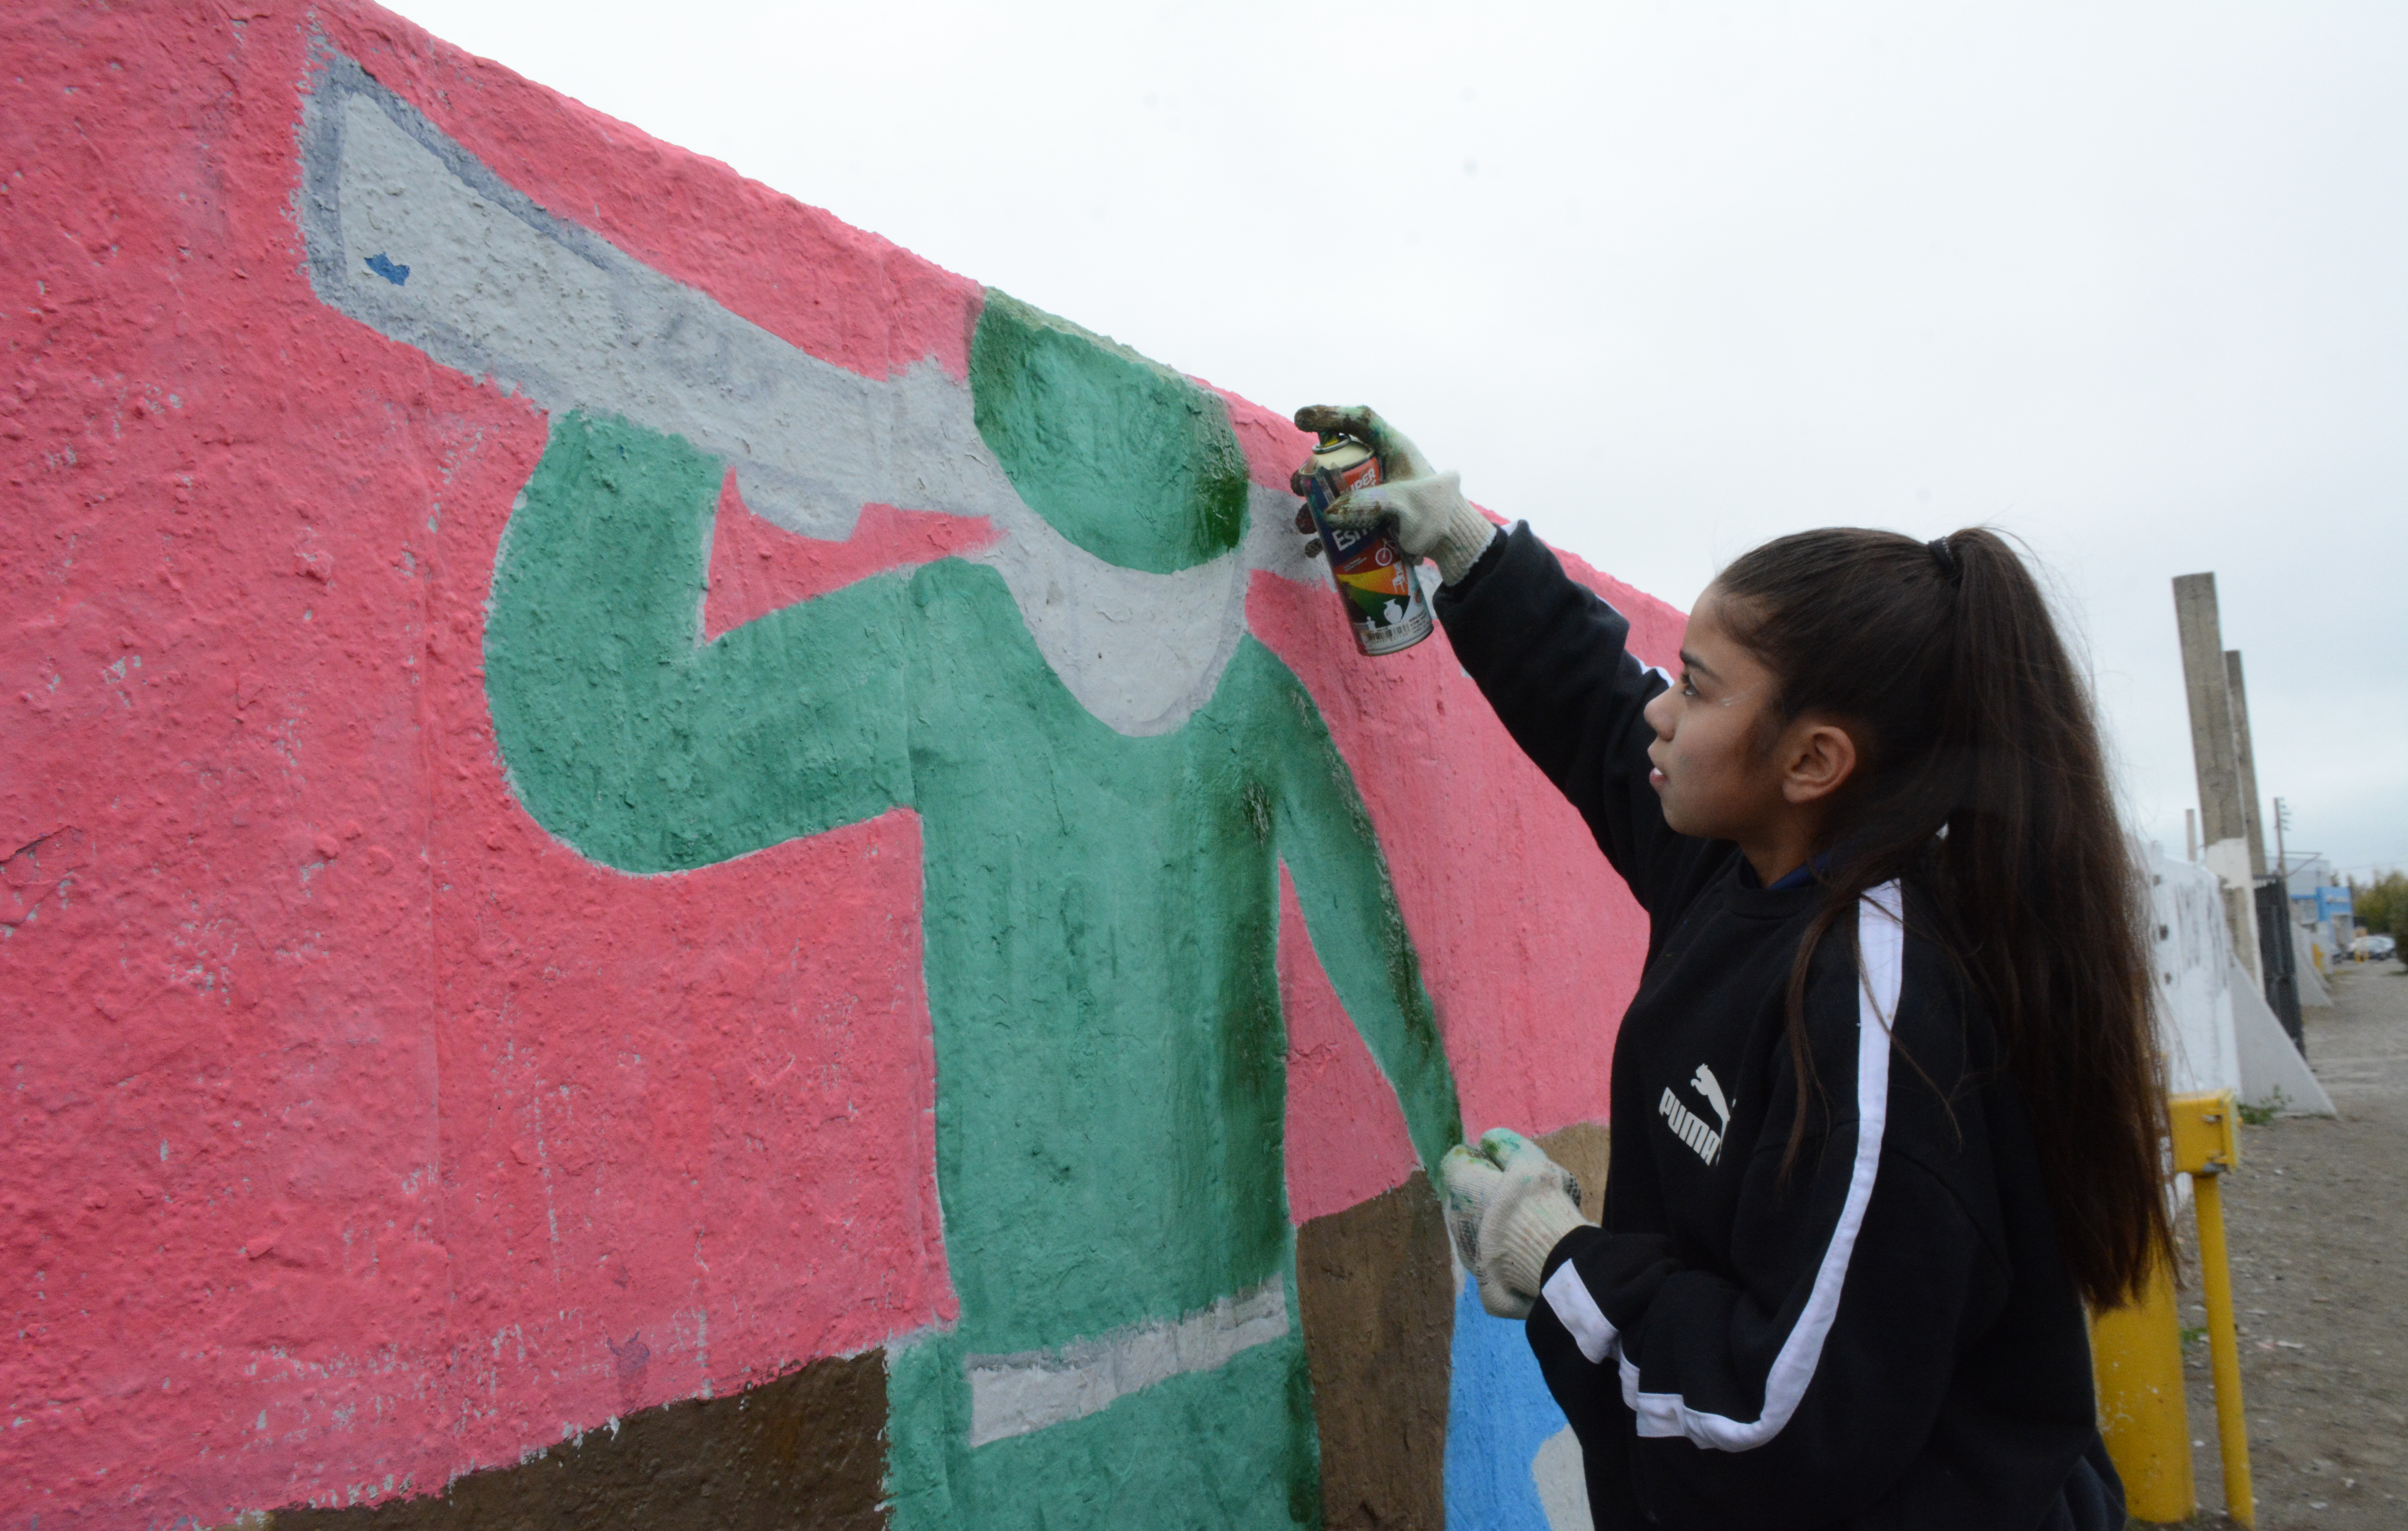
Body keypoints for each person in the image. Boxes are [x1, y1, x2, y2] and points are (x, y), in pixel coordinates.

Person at [1293, 405, 2165, 1531]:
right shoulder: (1755, 867)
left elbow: (1772, 1422)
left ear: (1813, 762)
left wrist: (1555, 1255)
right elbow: (1606, 722)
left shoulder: (1885, 1015)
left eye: (1699, 688)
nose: (1664, 706)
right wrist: (1465, 546)